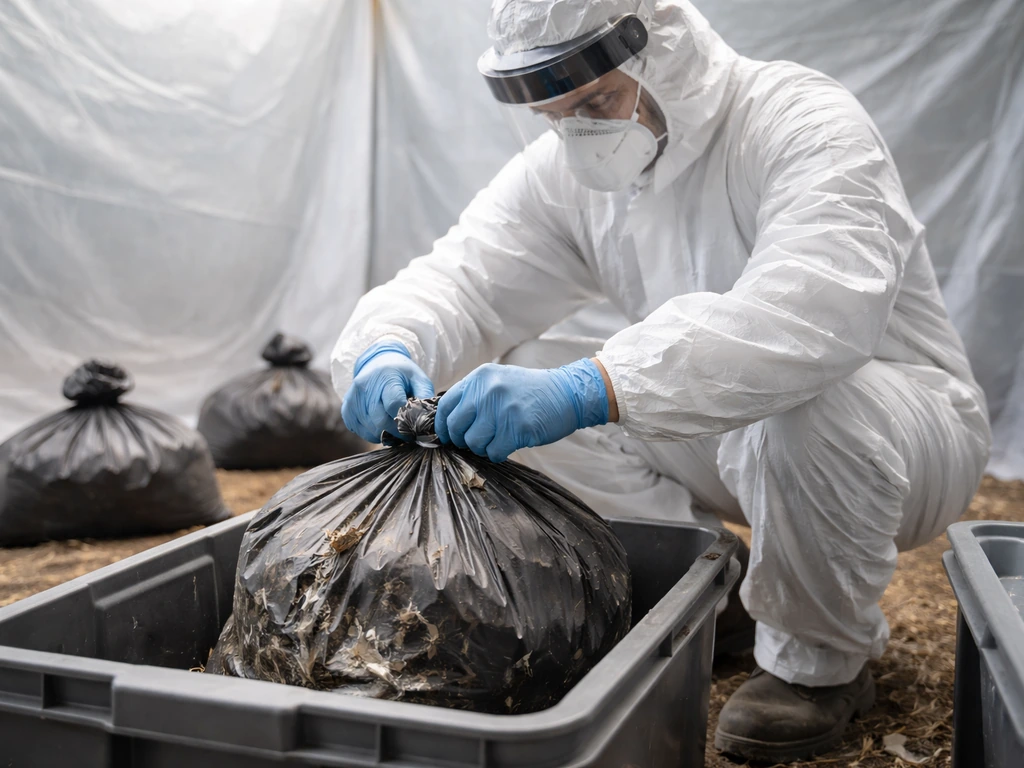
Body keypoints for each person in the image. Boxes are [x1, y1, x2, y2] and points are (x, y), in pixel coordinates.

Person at [331, 0, 992, 762]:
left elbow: (816, 313)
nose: (579, 131)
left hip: (897, 432)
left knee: (809, 407)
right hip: (718, 431)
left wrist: (592, 386)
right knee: (497, 393)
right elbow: (464, 281)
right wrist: (387, 345)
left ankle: (816, 665)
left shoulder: (796, 118)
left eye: (595, 101)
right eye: (556, 113)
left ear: (663, 52)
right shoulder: (569, 175)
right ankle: (710, 578)